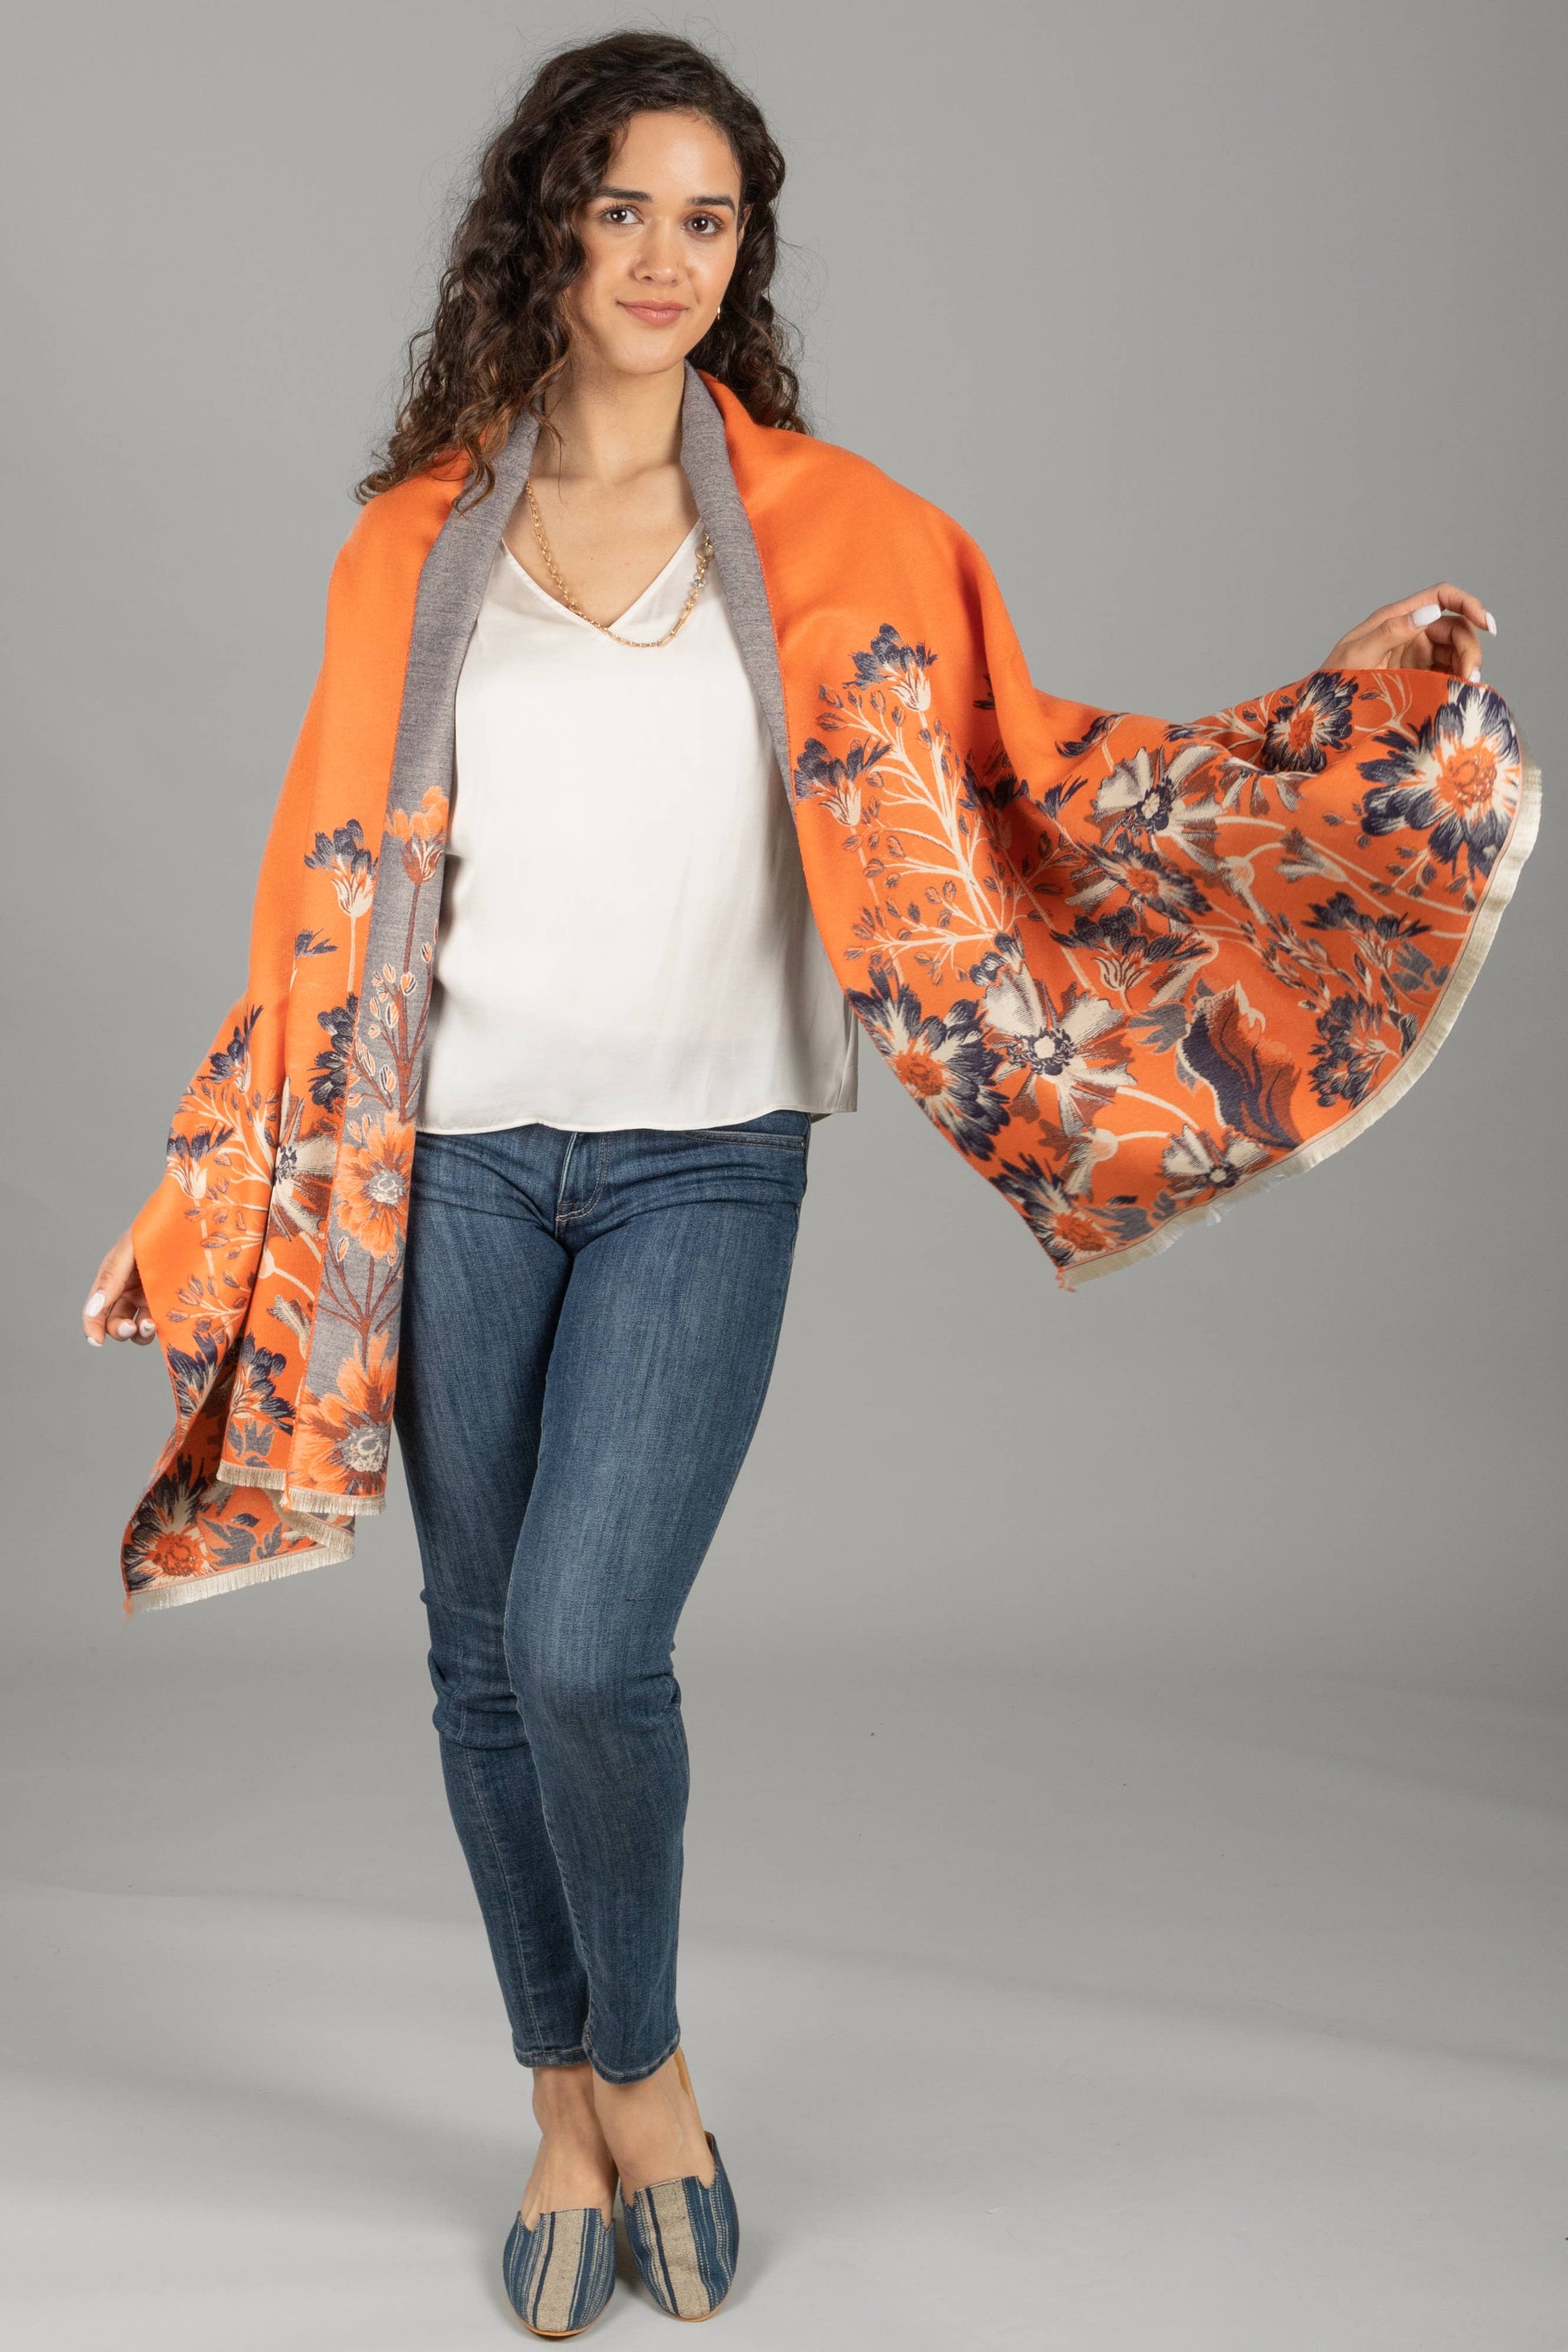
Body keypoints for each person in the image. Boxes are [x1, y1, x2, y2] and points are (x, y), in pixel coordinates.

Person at [81, 30, 1531, 2340]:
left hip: (705, 1161)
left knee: (586, 1646)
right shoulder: (411, 543)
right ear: (544, 232)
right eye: (621, 209)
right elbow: (321, 898)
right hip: (453, 1164)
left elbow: (1038, 785)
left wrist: (1326, 755)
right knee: (478, 1662)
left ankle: (644, 2067)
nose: (663, 259)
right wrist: (234, 1178)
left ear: (740, 254)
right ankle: (563, 2107)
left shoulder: (844, 532)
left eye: (708, 219)